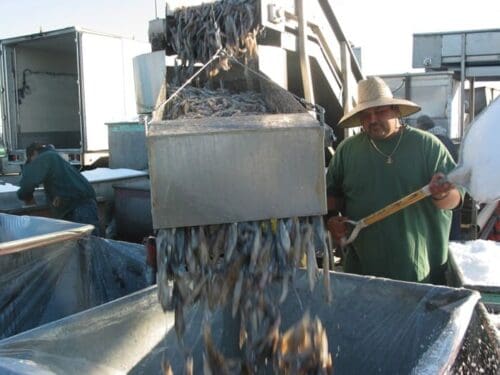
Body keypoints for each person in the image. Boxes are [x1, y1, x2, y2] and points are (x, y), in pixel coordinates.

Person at [326, 77, 462, 284]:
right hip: (362, 272)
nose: (372, 119)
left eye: (379, 111)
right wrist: (331, 222)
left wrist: (442, 193)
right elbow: (331, 198)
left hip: (421, 273)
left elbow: (455, 200)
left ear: (396, 111)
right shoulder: (347, 150)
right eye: (365, 114)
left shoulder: (426, 146)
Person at [17, 142, 101, 236]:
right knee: (91, 242)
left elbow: (28, 183)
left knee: (87, 243)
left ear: (35, 153)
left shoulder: (45, 157)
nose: (33, 163)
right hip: (85, 203)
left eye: (31, 160)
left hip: (78, 207)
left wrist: (25, 196)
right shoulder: (54, 156)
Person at [416, 114, 462, 241]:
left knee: (445, 227)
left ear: (422, 127)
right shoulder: (446, 138)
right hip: (454, 186)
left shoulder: (430, 142)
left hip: (440, 190)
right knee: (453, 222)